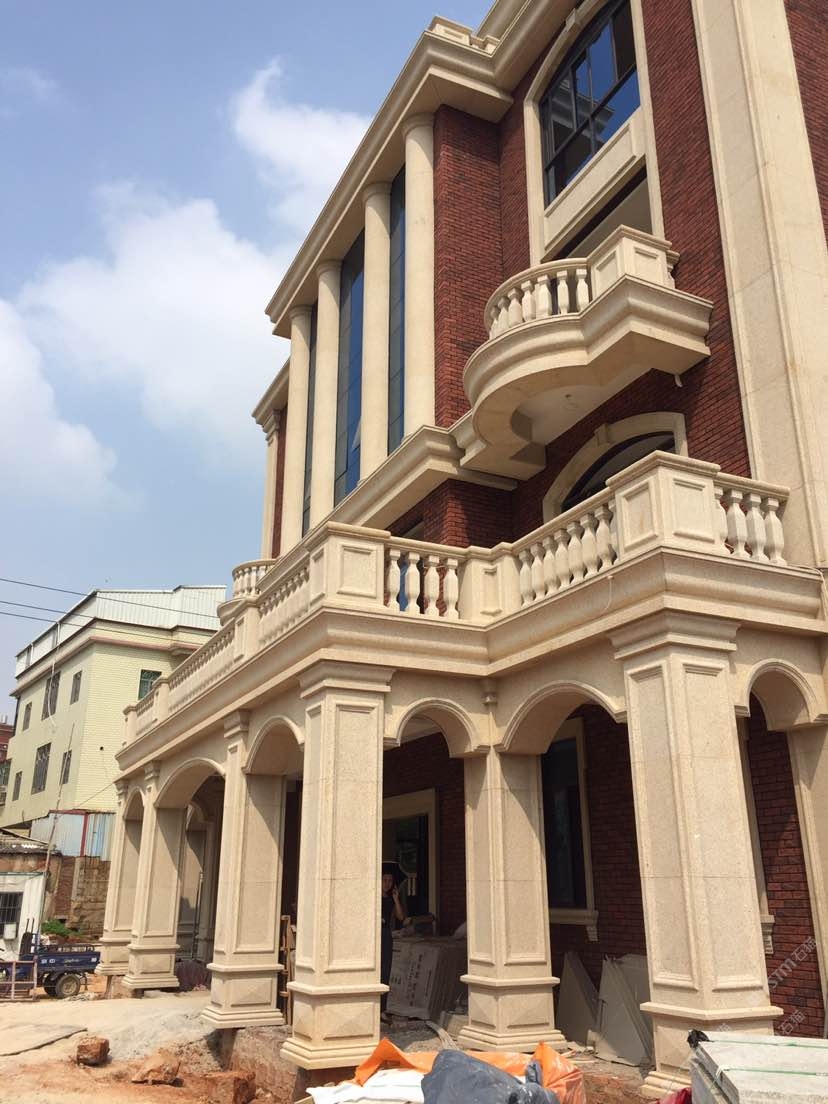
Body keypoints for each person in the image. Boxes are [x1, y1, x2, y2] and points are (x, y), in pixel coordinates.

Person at [380, 861, 406, 1021]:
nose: (387, 883)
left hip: (386, 936)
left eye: (390, 880)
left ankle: (382, 1009)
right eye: (384, 880)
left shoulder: (391, 898)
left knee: (385, 971)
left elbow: (400, 917)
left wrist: (396, 899)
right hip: (374, 935)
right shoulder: (373, 896)